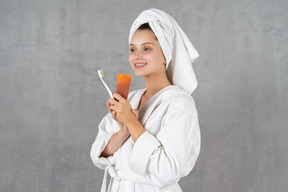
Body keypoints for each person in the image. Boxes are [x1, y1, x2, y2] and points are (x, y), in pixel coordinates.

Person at [90, 8, 201, 192]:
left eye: (147, 48)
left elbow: (167, 170)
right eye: (132, 49)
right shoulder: (130, 98)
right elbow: (98, 154)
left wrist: (132, 123)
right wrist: (123, 131)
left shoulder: (180, 103)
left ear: (165, 54)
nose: (136, 56)